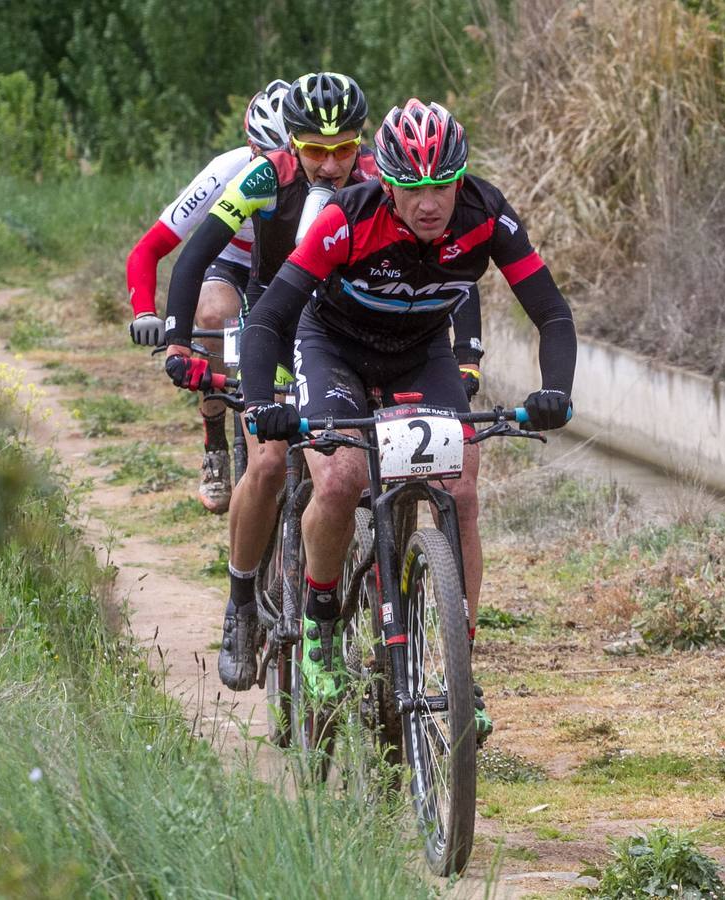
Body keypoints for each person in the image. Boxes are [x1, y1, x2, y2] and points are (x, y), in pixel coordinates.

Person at [239, 99, 577, 738]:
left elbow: (552, 311)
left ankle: (459, 665)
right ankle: (318, 620)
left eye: (442, 185)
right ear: (386, 181)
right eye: (414, 188)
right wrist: (261, 406)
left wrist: (556, 388)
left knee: (463, 487)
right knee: (339, 481)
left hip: (420, 354)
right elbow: (271, 317)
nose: (430, 203)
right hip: (332, 348)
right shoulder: (345, 218)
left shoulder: (486, 214)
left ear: (461, 179)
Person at [156, 72, 384, 691]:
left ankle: (393, 602)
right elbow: (194, 257)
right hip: (274, 329)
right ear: (292, 143)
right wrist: (178, 339)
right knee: (267, 462)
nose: (332, 165)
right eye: (315, 149)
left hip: (346, 334)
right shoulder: (262, 179)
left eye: (344, 149)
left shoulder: (378, 178)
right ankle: (240, 603)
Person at [124, 79, 291, 514]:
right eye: (261, 154)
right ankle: (215, 439)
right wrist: (145, 311)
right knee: (215, 315)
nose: (270, 166)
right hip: (232, 264)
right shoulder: (225, 171)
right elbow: (149, 250)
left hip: (290, 268)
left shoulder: (322, 170)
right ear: (249, 146)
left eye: (284, 155)